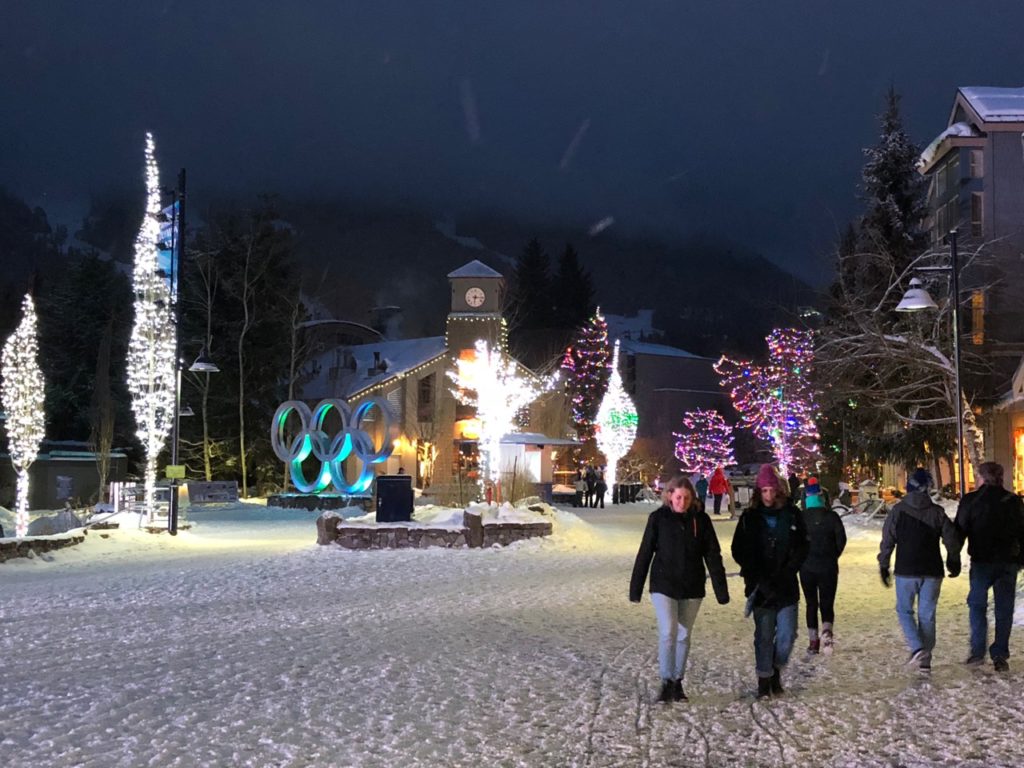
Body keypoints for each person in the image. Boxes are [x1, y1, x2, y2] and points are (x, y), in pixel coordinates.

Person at [630, 475, 730, 703]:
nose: (681, 502)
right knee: (668, 631)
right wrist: (636, 587)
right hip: (663, 584)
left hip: (692, 585)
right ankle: (666, 680)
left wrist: (720, 589)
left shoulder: (701, 520)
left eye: (686, 498)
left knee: (684, 634)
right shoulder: (658, 519)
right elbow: (645, 552)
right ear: (669, 496)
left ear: (692, 498)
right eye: (677, 497)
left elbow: (713, 555)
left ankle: (677, 681)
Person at [732, 464, 809, 698]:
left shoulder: (792, 514)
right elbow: (739, 549)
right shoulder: (749, 518)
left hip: (786, 584)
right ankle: (764, 678)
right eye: (763, 490)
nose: (768, 495)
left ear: (779, 490)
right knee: (764, 635)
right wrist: (754, 574)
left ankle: (776, 667)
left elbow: (802, 546)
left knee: (788, 635)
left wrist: (789, 569)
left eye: (771, 490)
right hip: (760, 585)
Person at [877, 467, 961, 672]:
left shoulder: (898, 511)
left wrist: (884, 564)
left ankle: (917, 648)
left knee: (904, 610)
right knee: (927, 614)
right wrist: (953, 560)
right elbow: (951, 539)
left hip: (906, 569)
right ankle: (925, 659)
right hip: (932, 570)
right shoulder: (937, 512)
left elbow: (888, 540)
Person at [954, 461, 1024, 672]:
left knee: (977, 605)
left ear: (981, 477)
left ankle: (977, 652)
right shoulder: (1013, 501)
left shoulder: (972, 500)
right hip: (1007, 562)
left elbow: (959, 530)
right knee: (1004, 609)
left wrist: (953, 557)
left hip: (982, 562)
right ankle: (1000, 654)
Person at [799, 477, 847, 653]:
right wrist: (833, 555)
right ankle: (827, 632)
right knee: (827, 602)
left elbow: (795, 542)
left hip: (806, 567)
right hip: (828, 567)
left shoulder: (801, 518)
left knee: (811, 603)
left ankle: (813, 642)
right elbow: (841, 539)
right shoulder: (832, 517)